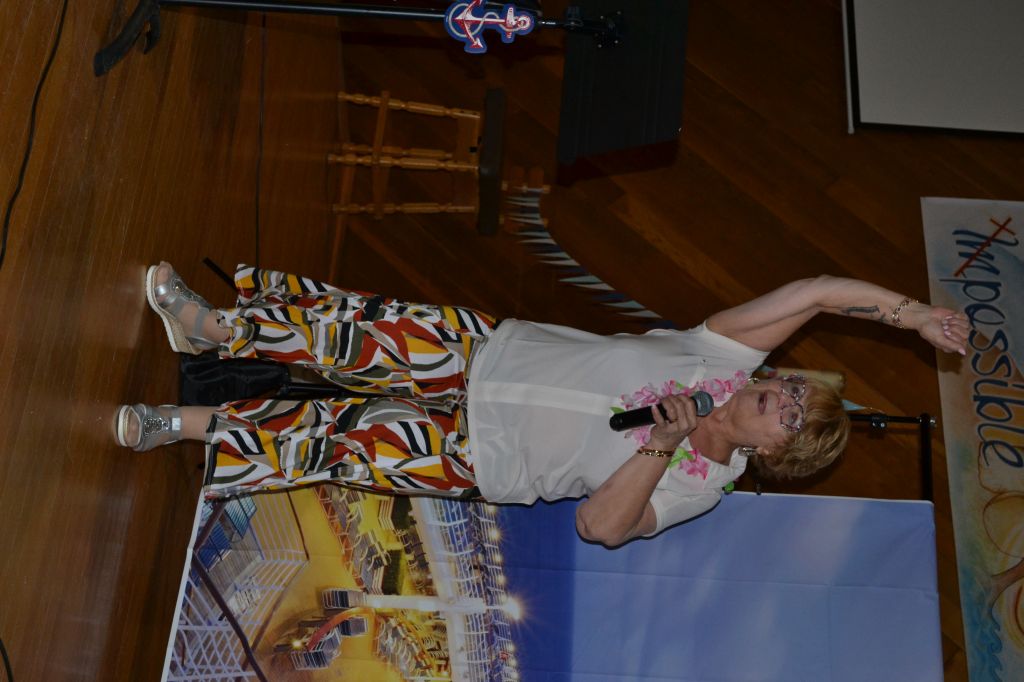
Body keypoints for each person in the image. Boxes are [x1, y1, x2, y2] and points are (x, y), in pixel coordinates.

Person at [115, 262, 968, 546]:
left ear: (777, 455)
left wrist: (656, 448)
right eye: (796, 388)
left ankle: (175, 426)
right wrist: (915, 315)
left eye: (792, 414)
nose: (785, 391)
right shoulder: (725, 356)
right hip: (486, 350)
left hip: (480, 455)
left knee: (329, 440)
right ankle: (211, 328)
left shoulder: (702, 487)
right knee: (342, 335)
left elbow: (601, 528)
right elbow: (815, 291)